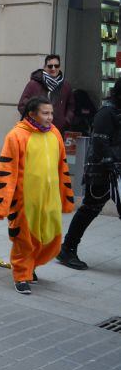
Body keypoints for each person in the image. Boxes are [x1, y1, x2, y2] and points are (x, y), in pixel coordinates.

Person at [0, 97, 74, 294]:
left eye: (51, 113)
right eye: (45, 113)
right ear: (32, 114)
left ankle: (30, 266)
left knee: (51, 238)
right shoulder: (16, 135)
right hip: (25, 201)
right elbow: (6, 169)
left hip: (50, 199)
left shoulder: (55, 134)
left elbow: (62, 167)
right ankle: (21, 275)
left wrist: (65, 197)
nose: (50, 117)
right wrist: (0, 205)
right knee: (24, 240)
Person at [58, 79, 121, 270]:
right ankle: (67, 248)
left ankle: (67, 248)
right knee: (90, 209)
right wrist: (112, 163)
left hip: (114, 170)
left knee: (89, 210)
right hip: (103, 171)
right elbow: (100, 142)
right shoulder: (106, 113)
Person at [17, 54, 75, 133]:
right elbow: (22, 105)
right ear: (44, 67)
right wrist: (34, 120)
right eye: (50, 66)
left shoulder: (66, 86)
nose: (53, 68)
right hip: (36, 130)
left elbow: (71, 106)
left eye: (56, 66)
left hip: (57, 130)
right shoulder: (33, 84)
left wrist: (66, 121)